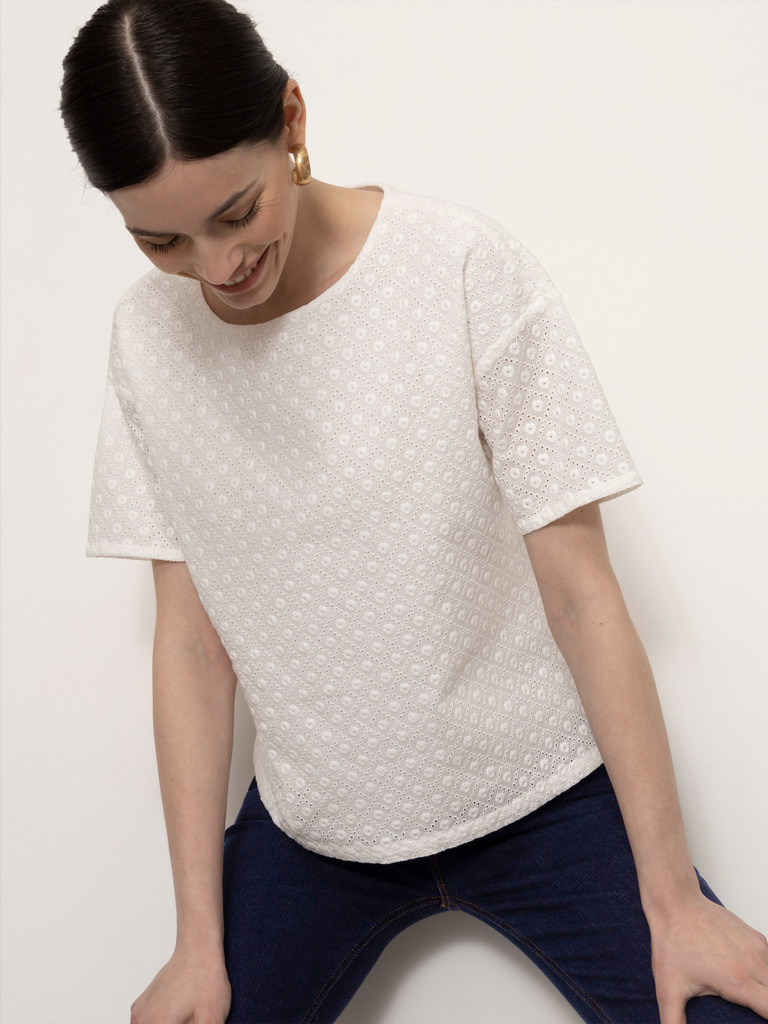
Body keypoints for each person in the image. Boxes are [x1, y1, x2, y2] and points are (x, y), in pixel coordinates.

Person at [60, 1, 768, 1022]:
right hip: (312, 831)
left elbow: (581, 593)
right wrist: (195, 943)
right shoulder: (146, 339)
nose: (216, 268)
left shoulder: (460, 265)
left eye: (237, 213)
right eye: (160, 239)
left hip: (545, 794)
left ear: (292, 119)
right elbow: (191, 644)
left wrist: (674, 903)